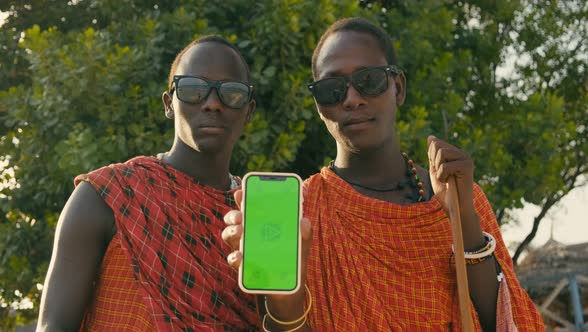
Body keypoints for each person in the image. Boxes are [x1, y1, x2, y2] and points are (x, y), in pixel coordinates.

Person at [223, 17, 545, 331]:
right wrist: (284, 299)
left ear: (398, 87)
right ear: (320, 106)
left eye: (369, 81)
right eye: (332, 89)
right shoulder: (303, 211)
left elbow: (508, 322)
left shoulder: (457, 193)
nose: (351, 99)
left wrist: (462, 219)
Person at [37, 36, 260, 331]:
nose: (212, 104)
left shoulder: (257, 212)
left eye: (231, 94)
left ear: (248, 112)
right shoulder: (107, 195)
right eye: (193, 90)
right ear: (169, 104)